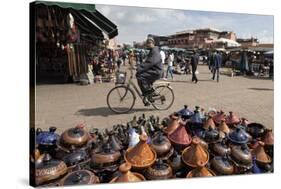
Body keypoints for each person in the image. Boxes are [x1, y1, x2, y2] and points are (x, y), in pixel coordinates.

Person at [136, 37, 163, 106]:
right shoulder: (152, 51)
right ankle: (147, 96)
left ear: (153, 43)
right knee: (139, 75)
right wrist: (139, 66)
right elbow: (147, 61)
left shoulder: (155, 51)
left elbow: (150, 62)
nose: (148, 45)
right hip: (153, 70)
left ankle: (147, 93)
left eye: (149, 43)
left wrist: (140, 68)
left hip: (156, 72)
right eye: (147, 43)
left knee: (140, 76)